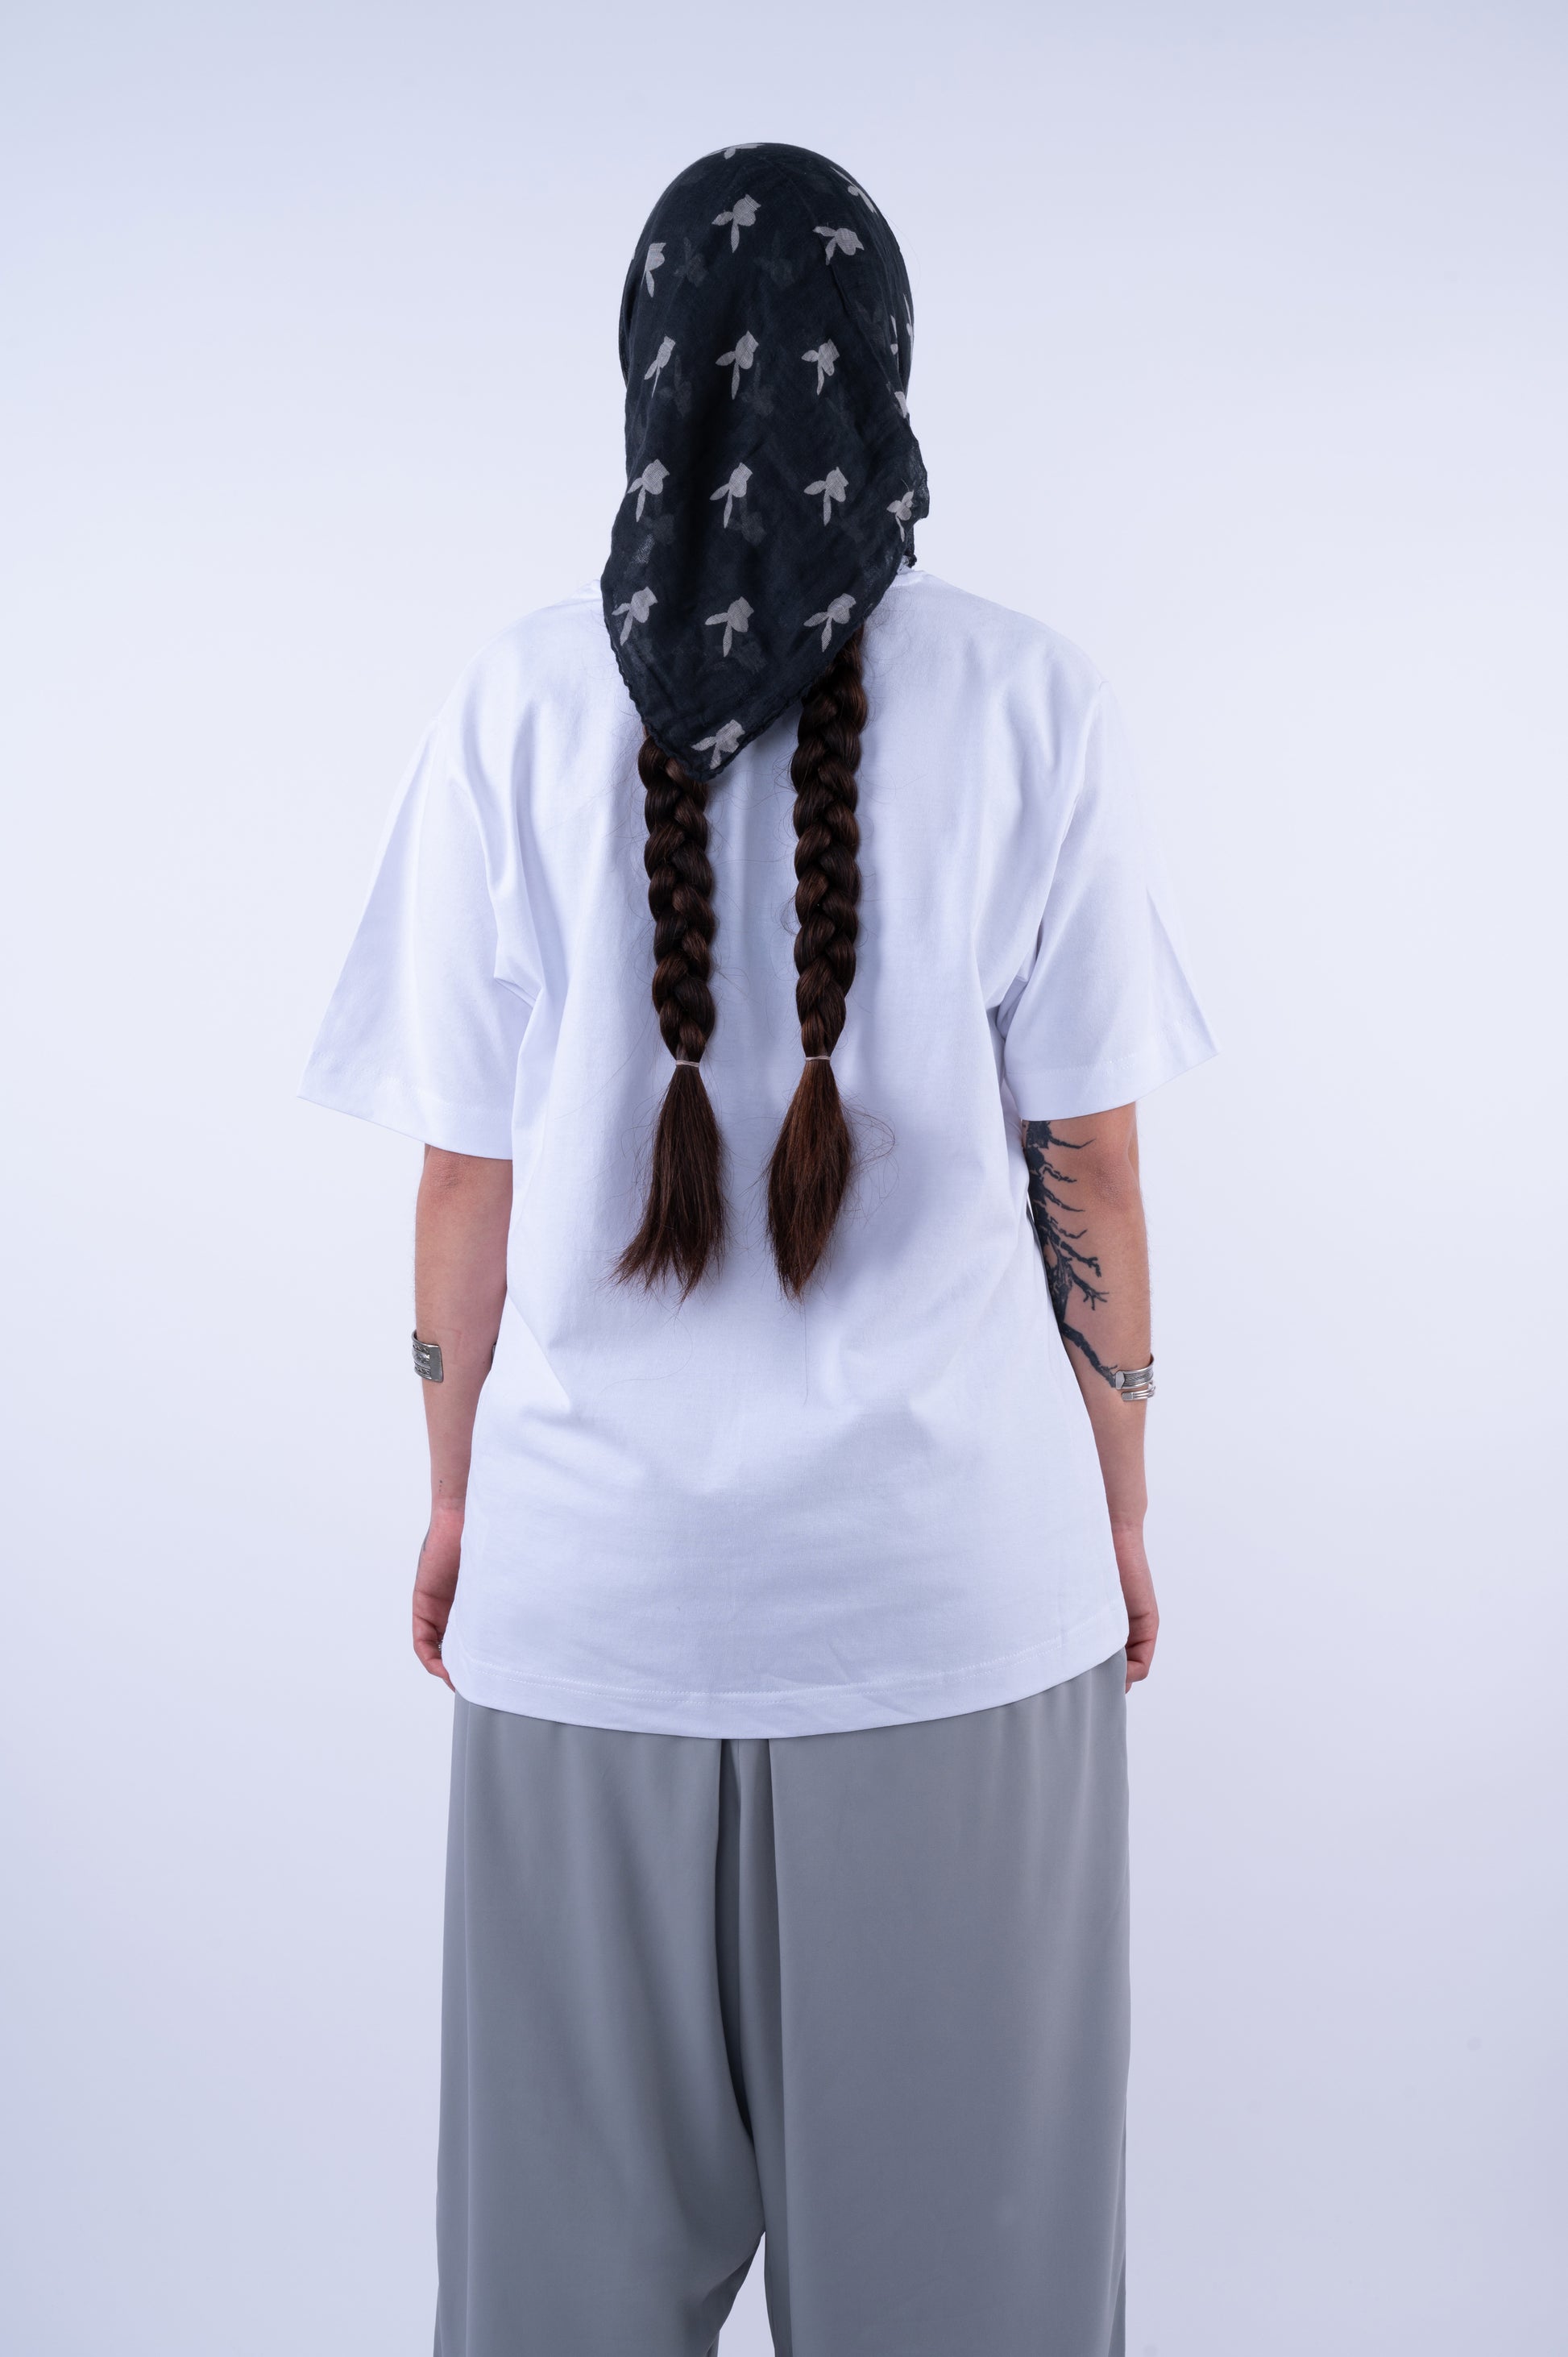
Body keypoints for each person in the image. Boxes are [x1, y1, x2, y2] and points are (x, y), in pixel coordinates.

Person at [303, 141, 1214, 2357]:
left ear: (643, 373)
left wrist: (458, 1505)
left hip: (585, 1623)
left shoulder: (515, 703)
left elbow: (461, 1182)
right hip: (953, 1618)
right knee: (977, 2310)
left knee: (554, 2310)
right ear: (883, 374)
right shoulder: (1030, 697)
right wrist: (1114, 1503)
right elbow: (1087, 1164)